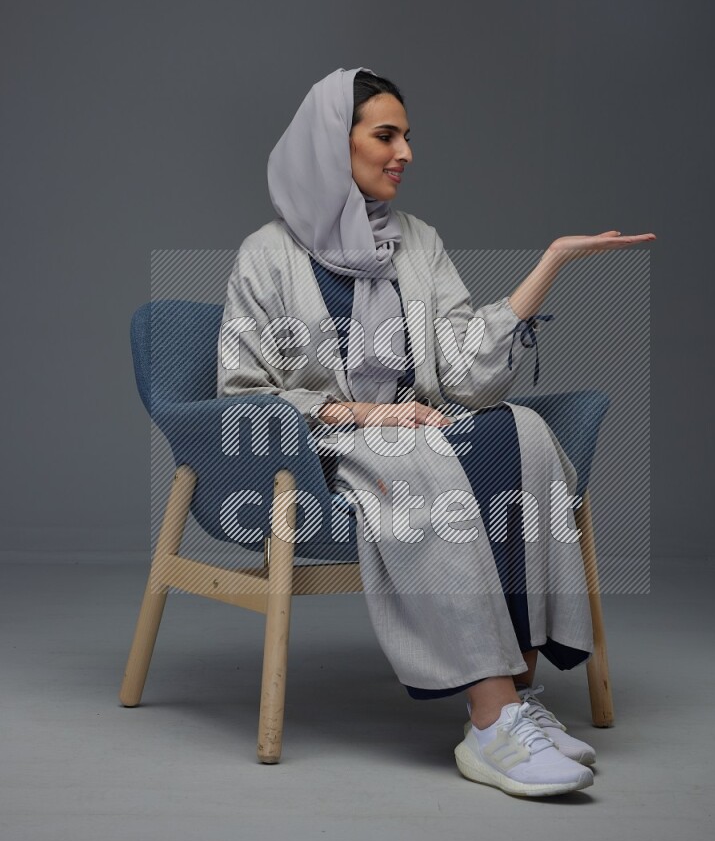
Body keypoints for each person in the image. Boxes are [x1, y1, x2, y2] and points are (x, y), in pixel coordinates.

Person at [217, 66, 655, 798]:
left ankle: (519, 694)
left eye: (408, 136)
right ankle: (489, 724)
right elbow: (244, 393)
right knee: (415, 455)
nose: (406, 152)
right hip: (320, 444)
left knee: (523, 433)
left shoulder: (417, 242)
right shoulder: (265, 255)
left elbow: (463, 372)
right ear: (333, 144)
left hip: (421, 422)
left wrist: (547, 265)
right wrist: (369, 414)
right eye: (385, 135)